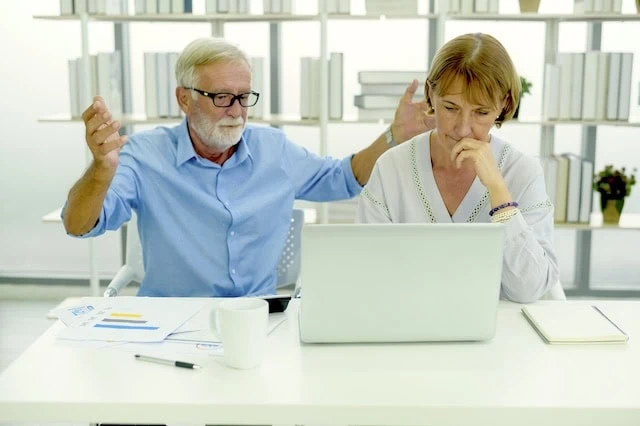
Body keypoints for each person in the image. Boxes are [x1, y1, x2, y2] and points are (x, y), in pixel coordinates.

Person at [63, 37, 433, 297]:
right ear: (184, 99)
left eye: (243, 97)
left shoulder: (274, 149)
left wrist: (394, 134)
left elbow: (343, 179)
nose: (237, 111)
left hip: (257, 319)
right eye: (222, 98)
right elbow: (78, 225)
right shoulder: (144, 156)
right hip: (171, 321)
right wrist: (100, 170)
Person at [356, 33, 559, 303]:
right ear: (431, 94)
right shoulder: (392, 168)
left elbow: (530, 289)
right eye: (450, 108)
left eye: (481, 112)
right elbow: (365, 274)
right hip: (407, 327)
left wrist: (499, 193)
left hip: (500, 338)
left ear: (504, 105)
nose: (463, 129)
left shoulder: (522, 172)